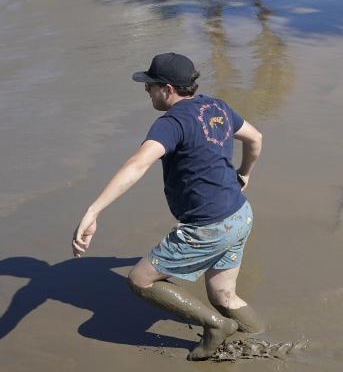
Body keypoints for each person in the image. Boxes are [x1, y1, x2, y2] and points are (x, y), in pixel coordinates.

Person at [71, 52, 265, 361]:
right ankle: (261, 341)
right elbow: (254, 138)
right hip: (240, 214)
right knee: (223, 294)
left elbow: (137, 165)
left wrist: (93, 211)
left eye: (149, 86)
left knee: (140, 280)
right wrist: (244, 174)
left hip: (209, 225)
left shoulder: (172, 122)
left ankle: (215, 326)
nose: (146, 91)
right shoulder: (216, 106)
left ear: (167, 89)